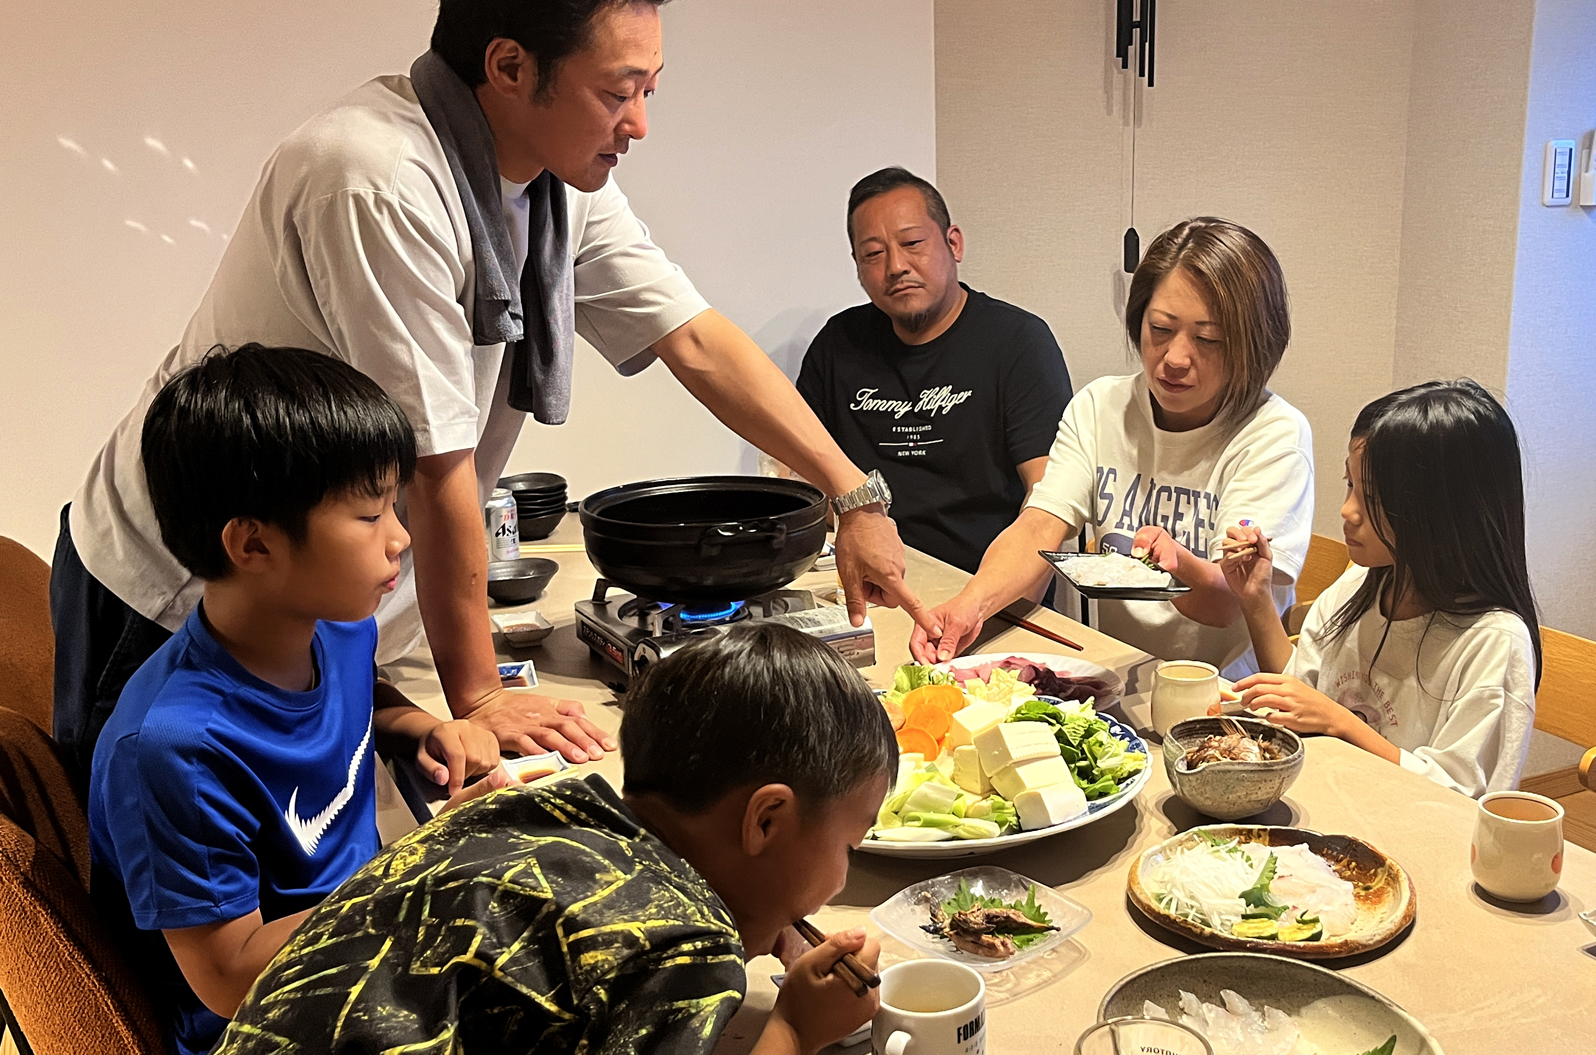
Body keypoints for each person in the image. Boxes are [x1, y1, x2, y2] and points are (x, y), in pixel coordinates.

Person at [53, 0, 934, 791]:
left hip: (321, 608)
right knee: (159, 886)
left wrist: (851, 494)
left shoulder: (559, 188)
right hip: (185, 589)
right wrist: (479, 695)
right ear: (509, 66)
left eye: (649, 91)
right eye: (617, 91)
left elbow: (695, 339)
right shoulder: (376, 178)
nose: (638, 123)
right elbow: (436, 462)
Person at [165, 620, 890, 1055]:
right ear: (766, 820)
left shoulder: (528, 813)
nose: (840, 877)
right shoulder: (682, 944)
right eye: (850, 845)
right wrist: (797, 1028)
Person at [90, 345, 513, 1055]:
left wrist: (419, 726)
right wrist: (422, 865)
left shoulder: (336, 628)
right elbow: (228, 978)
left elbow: (358, 693)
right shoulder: (175, 749)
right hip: (271, 1044)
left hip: (369, 943)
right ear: (253, 543)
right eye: (369, 514)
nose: (400, 536)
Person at [911, 217, 1314, 679]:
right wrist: (970, 605)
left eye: (1207, 339)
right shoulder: (1101, 407)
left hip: (1228, 694)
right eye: (1160, 329)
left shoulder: (1273, 435)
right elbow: (1039, 525)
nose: (1175, 359)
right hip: (1117, 674)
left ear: (1253, 344)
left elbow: (1229, 601)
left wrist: (1177, 562)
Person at [1218, 381, 1541, 797]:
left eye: (1372, 497)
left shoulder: (1494, 641)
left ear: (1444, 511)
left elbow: (1460, 797)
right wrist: (1256, 599)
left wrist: (1341, 723)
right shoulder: (1360, 583)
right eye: (1350, 484)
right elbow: (1303, 695)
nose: (1347, 511)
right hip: (1332, 799)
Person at [797, 167, 1073, 575]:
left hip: (981, 579)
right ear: (857, 265)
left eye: (912, 243)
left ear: (953, 243)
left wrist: (986, 598)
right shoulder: (838, 344)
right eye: (873, 254)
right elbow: (800, 477)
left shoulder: (1017, 341)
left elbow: (1050, 502)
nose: (895, 266)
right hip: (868, 575)